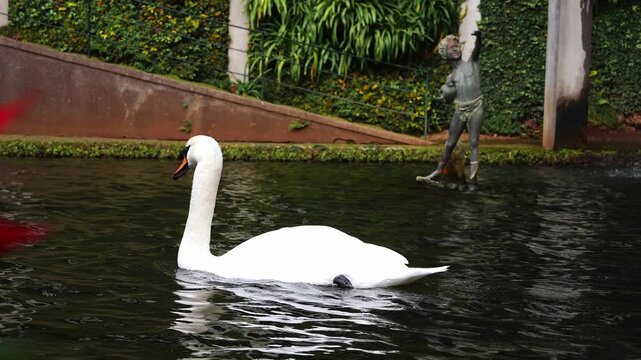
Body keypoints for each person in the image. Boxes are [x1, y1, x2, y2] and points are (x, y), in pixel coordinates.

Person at [426, 30, 483, 190]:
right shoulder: (451, 77)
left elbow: (477, 48)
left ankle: (473, 179)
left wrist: (479, 37)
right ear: (446, 54)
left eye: (457, 46)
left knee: (473, 142)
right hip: (460, 107)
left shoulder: (472, 61)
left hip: (476, 104)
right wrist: (442, 98)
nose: (456, 49)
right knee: (450, 142)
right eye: (452, 48)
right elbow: (447, 99)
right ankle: (438, 170)